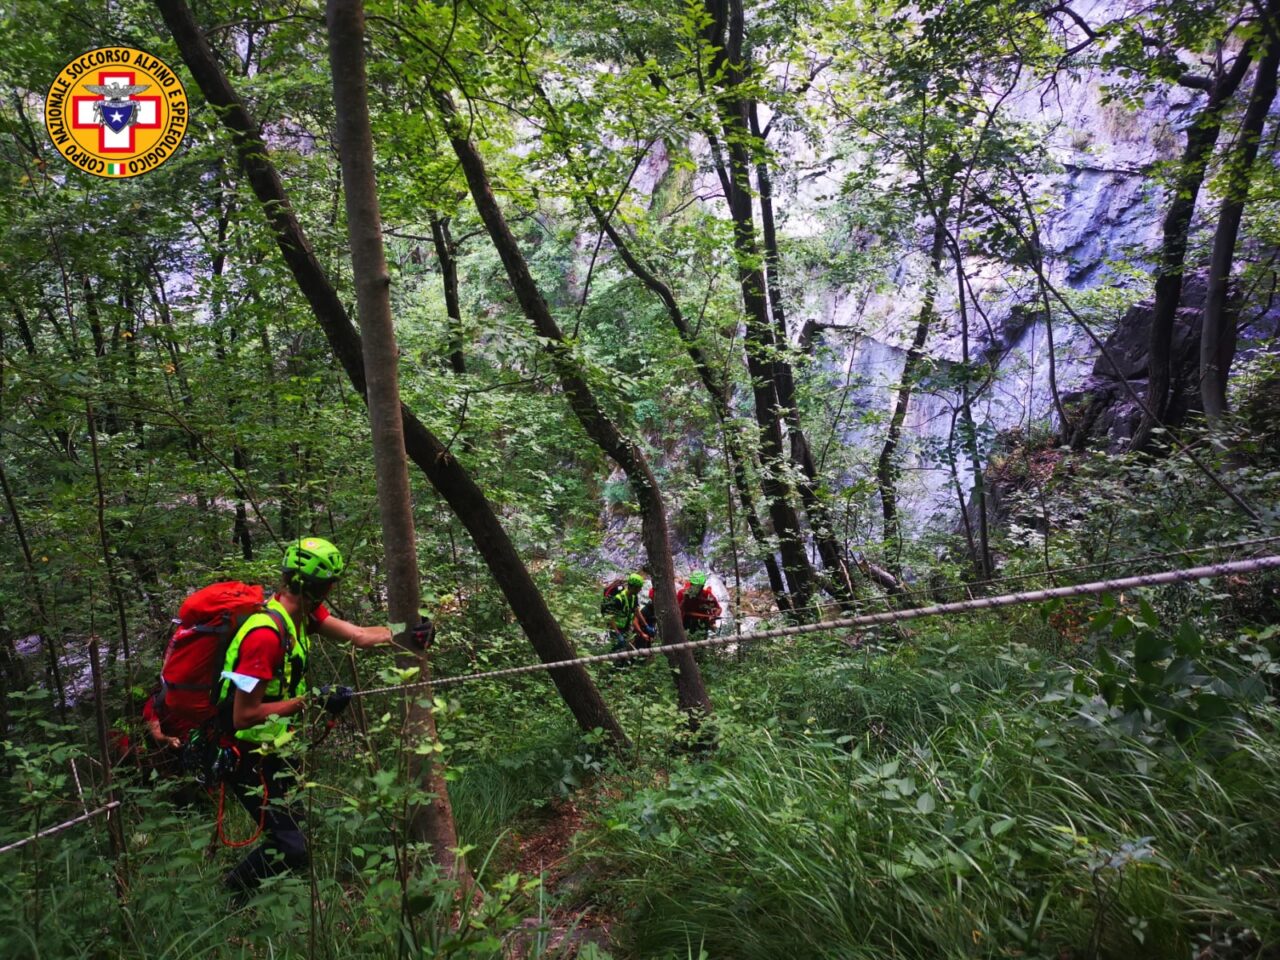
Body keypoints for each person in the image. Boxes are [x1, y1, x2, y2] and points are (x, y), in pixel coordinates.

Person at [216, 536, 434, 898]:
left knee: (293, 829)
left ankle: (273, 895)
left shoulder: (301, 614)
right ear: (322, 588)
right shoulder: (264, 636)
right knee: (291, 846)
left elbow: (359, 636)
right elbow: (244, 716)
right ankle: (230, 896)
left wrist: (409, 632)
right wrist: (312, 700)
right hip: (246, 754)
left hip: (274, 747)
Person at [603, 572, 650, 655]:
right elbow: (610, 617)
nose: (640, 590)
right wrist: (617, 634)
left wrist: (646, 625)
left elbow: (637, 611)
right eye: (639, 588)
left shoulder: (634, 596)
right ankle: (608, 659)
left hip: (626, 627)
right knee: (616, 650)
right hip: (615, 628)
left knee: (624, 650)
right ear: (634, 587)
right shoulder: (619, 599)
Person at [677, 571, 721, 642]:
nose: (696, 589)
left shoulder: (707, 594)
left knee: (701, 644)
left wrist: (714, 616)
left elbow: (718, 608)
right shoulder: (682, 593)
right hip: (686, 624)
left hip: (703, 624)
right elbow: (677, 611)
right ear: (691, 584)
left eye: (699, 587)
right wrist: (684, 600)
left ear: (702, 586)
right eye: (694, 586)